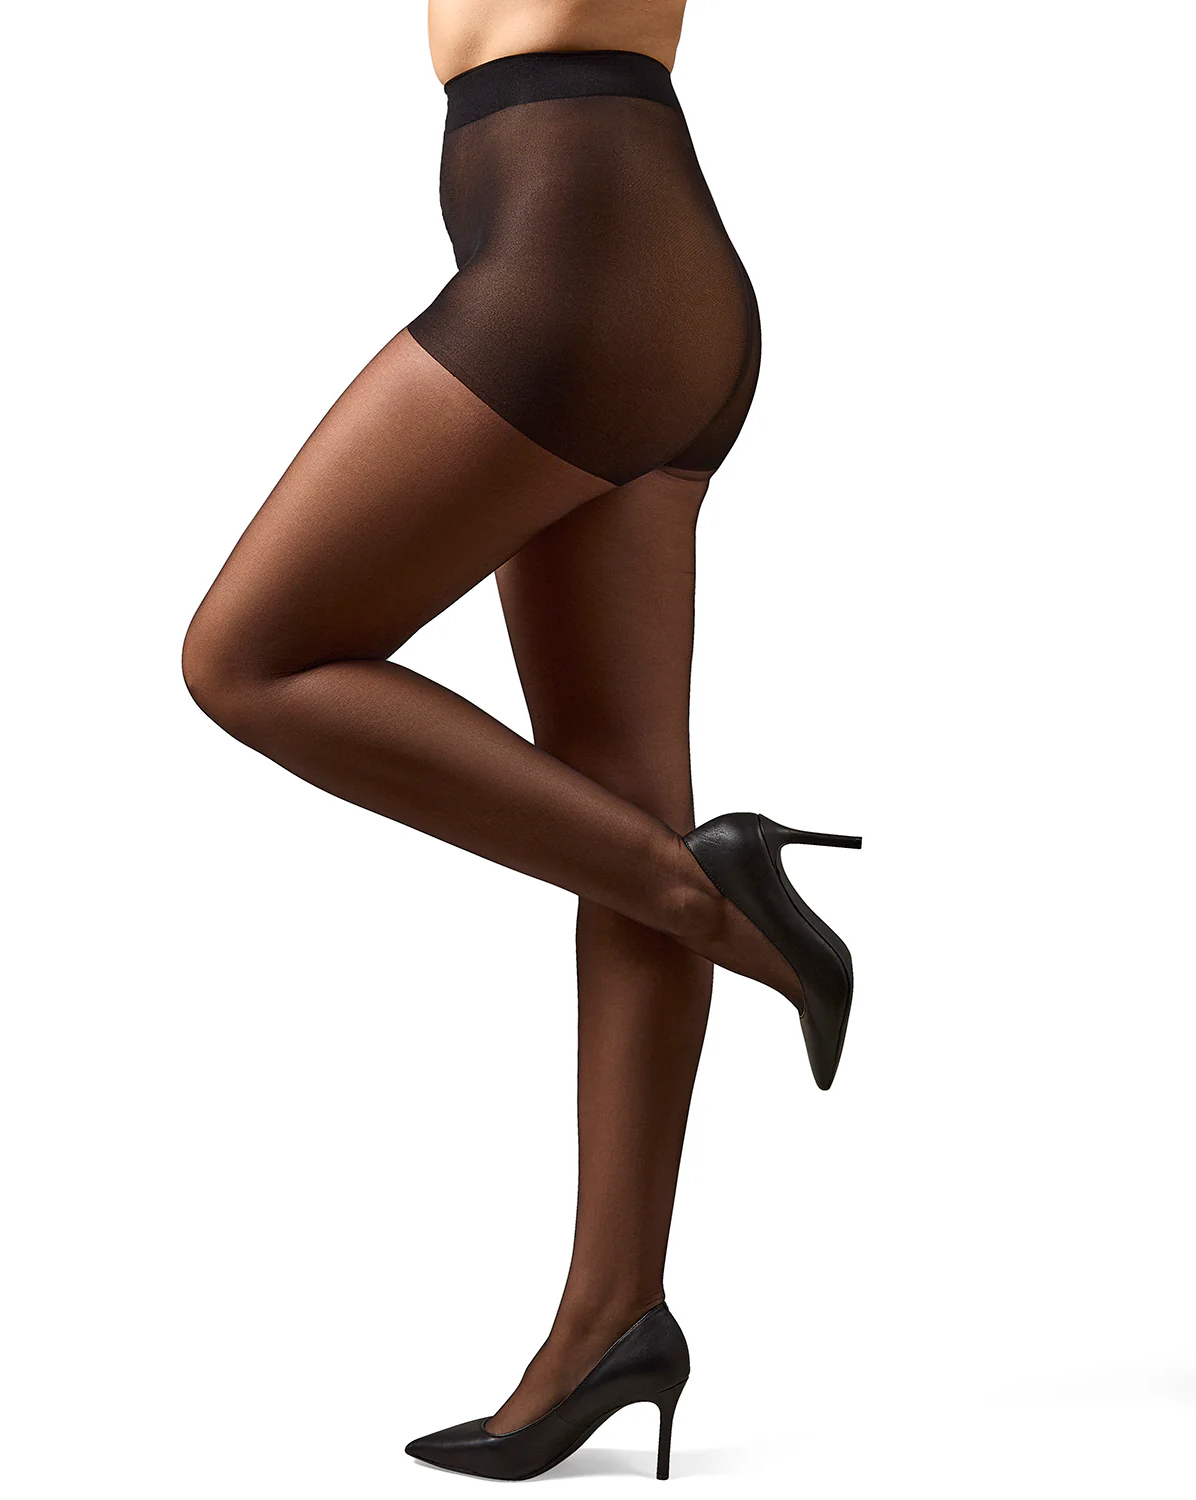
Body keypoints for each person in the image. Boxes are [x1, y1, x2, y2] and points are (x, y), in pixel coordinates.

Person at [182, 0, 860, 1480]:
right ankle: (614, 1316)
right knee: (623, 816)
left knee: (248, 659)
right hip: (610, 249)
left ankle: (713, 891)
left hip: (579, 266)